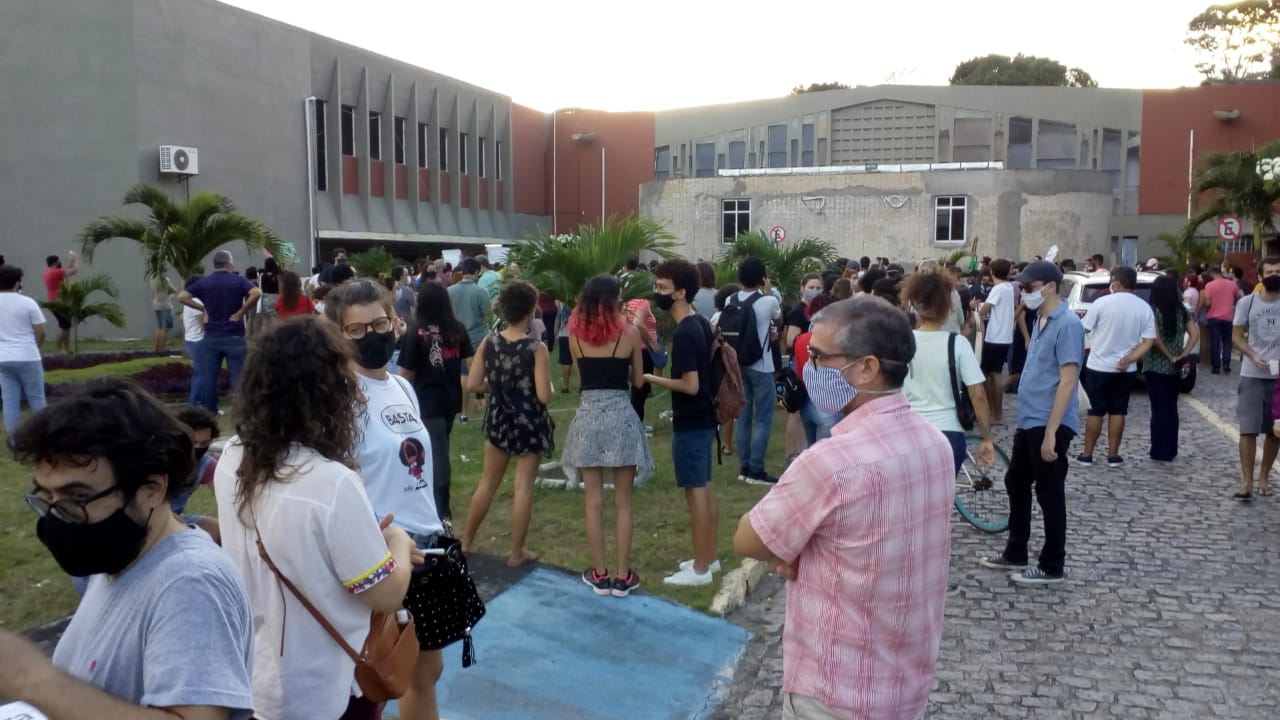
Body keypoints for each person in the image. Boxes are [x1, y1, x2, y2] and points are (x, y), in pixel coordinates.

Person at [733, 296, 954, 720]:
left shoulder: (831, 462)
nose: (808, 367)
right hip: (906, 683)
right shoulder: (935, 444)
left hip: (836, 691)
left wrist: (793, 549)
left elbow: (750, 537)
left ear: (867, 367)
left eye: (818, 357)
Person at [0, 378, 253, 718]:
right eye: (47, 497)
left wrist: (32, 680)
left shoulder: (191, 583)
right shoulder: (121, 558)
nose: (59, 516)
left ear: (151, 488)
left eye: (77, 497)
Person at [215, 317, 420, 720]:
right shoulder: (331, 483)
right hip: (326, 685)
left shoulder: (233, 456)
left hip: (253, 673)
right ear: (331, 391)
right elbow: (385, 595)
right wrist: (398, 542)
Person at [324, 280, 448, 720]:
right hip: (388, 551)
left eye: (379, 324)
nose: (372, 335)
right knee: (405, 674)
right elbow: (335, 482)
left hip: (427, 544)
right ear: (338, 335)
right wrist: (383, 537)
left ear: (395, 322)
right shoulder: (339, 400)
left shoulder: (400, 386)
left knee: (427, 669)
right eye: (356, 330)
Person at [980, 261, 1083, 584]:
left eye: (1029, 288)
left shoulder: (1067, 324)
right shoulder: (1040, 320)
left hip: (1048, 420)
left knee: (1049, 491)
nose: (1024, 293)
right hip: (1030, 418)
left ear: (1050, 287)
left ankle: (1052, 564)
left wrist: (1052, 431)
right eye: (1022, 288)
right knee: (1016, 481)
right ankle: (1016, 551)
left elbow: (1068, 379)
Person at [563, 275, 654, 597]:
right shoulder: (630, 333)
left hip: (588, 417)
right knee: (623, 502)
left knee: (593, 501)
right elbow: (638, 381)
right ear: (613, 300)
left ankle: (600, 574)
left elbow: (582, 376)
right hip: (621, 418)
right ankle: (623, 575)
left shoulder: (574, 335)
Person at [459, 280, 553, 567]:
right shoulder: (536, 348)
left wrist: (499, 385)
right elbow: (543, 395)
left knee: (487, 483)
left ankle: (465, 542)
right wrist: (546, 386)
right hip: (529, 421)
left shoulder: (489, 341)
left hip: (499, 418)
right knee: (523, 487)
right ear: (531, 309)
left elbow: (473, 383)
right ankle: (515, 553)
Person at [646, 259, 720, 586]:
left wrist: (652, 378)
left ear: (680, 292)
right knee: (705, 487)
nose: (657, 292)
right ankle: (709, 557)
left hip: (691, 421)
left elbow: (690, 385)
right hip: (705, 418)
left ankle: (701, 569)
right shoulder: (699, 322)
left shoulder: (686, 332)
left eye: (662, 287)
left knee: (696, 493)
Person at [901, 271, 996, 475]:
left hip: (908, 431)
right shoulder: (958, 343)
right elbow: (978, 395)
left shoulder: (903, 342)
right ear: (948, 307)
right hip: (947, 431)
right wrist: (986, 437)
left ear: (914, 306)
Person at [399, 281, 473, 528]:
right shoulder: (457, 330)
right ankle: (438, 500)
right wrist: (477, 392)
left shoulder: (416, 332)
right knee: (441, 446)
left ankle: (441, 507)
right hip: (451, 397)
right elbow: (471, 364)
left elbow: (405, 372)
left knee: (437, 450)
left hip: (427, 399)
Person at [1077, 266, 1156, 467]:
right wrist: (1129, 358)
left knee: (1095, 411)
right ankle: (1113, 455)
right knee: (1118, 410)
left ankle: (1087, 454)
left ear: (1118, 283)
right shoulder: (1144, 308)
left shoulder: (1102, 303)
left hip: (1099, 365)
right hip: (1126, 369)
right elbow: (1149, 340)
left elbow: (1084, 328)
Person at [177, 250, 261, 414]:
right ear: (229, 263)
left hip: (211, 336)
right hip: (234, 335)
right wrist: (241, 312)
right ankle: (240, 411)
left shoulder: (205, 282)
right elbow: (256, 292)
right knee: (238, 378)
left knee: (209, 378)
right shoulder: (238, 281)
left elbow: (182, 297)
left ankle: (210, 411)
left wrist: (202, 308)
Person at [727, 257, 782, 485]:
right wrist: (768, 291)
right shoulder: (768, 301)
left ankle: (744, 466)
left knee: (743, 416)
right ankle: (756, 469)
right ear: (762, 277)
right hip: (761, 364)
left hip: (737, 363)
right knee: (763, 417)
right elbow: (778, 320)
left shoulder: (730, 299)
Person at [1231, 256, 1280, 500]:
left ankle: (1264, 477)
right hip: (1251, 373)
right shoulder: (1247, 303)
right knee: (1247, 429)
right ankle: (1247, 481)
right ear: (1260, 276)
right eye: (1270, 272)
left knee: (1275, 431)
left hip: (1279, 378)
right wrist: (1251, 354)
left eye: (1278, 271)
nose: (1275, 275)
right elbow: (1237, 335)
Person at [1145, 275, 1199, 463]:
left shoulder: (1153, 311)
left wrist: (1169, 356)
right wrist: (1183, 355)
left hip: (1155, 365)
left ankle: (1159, 450)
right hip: (1175, 368)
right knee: (1171, 408)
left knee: (1158, 409)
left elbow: (1155, 339)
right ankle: (1171, 449)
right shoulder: (1181, 311)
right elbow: (1194, 334)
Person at [0, 266, 46, 440]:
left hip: (3, 358)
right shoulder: (28, 302)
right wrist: (35, 347)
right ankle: (43, 436)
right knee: (37, 398)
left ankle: (14, 439)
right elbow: (40, 332)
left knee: (10, 400)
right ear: (17, 283)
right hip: (28, 356)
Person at [790, 295, 841, 446]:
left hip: (807, 403)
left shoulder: (801, 339)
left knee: (811, 449)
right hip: (829, 405)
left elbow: (800, 372)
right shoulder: (836, 340)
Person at [172, 405, 223, 542]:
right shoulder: (163, 459)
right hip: (151, 521)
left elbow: (224, 499)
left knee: (221, 531)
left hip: (178, 519)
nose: (199, 448)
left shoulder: (206, 465)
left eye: (204, 443)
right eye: (194, 442)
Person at [448, 258, 491, 420]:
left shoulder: (449, 291)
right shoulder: (481, 292)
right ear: (477, 272)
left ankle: (464, 412)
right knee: (480, 372)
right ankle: (484, 405)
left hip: (455, 338)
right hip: (478, 338)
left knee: (462, 374)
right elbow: (488, 316)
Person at [978, 258, 1016, 422]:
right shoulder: (1008, 287)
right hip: (1004, 336)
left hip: (995, 336)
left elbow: (985, 308)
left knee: (991, 375)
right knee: (993, 373)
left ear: (992, 272)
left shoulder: (998, 289)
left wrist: (975, 310)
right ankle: (995, 411)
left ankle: (995, 412)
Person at [1200, 265, 1242, 374]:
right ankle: (1226, 365)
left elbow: (1208, 303)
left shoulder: (1209, 285)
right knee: (1227, 341)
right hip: (1228, 317)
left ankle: (1216, 367)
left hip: (1213, 317)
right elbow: (1240, 295)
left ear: (1212, 274)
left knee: (1215, 342)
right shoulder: (1232, 284)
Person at [42, 251, 78, 354]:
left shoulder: (49, 272)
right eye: (59, 261)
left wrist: (71, 262)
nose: (60, 263)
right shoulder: (55, 272)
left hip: (55, 302)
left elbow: (64, 272)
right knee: (64, 327)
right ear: (55, 262)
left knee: (66, 326)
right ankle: (57, 350)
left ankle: (66, 349)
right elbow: (74, 271)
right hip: (59, 303)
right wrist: (76, 259)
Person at [182, 275, 208, 409]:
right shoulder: (197, 302)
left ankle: (198, 403)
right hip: (198, 340)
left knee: (199, 373)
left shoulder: (189, 302)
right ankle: (195, 404)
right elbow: (202, 324)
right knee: (201, 374)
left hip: (191, 340)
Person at [258, 256, 281, 333]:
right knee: (275, 318)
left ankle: (265, 335)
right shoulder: (276, 275)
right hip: (275, 297)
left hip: (264, 297)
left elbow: (261, 287)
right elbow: (279, 288)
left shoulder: (262, 275)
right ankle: (275, 334)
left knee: (266, 320)